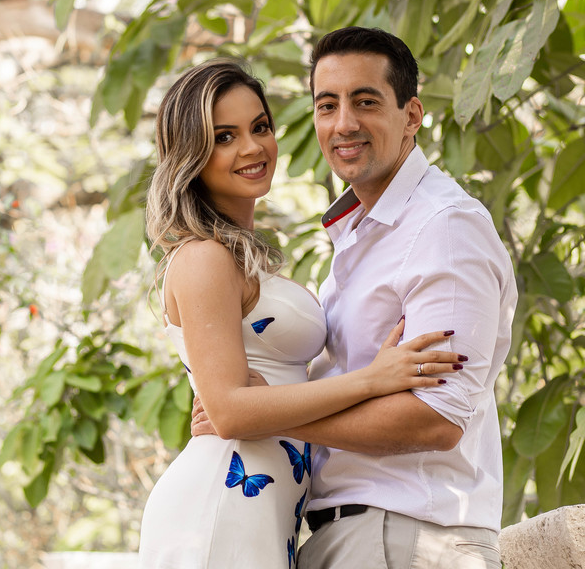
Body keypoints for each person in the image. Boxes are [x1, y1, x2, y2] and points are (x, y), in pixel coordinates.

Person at [193, 27, 518, 568]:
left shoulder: (444, 227)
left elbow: (435, 420)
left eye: (365, 102)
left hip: (407, 535)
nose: (343, 124)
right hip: (350, 537)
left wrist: (261, 414)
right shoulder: (360, 236)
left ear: (411, 115)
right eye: (327, 105)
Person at [137, 58, 464, 569]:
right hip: (225, 500)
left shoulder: (242, 257)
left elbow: (252, 389)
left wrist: (274, 399)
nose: (251, 148)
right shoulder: (204, 256)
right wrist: (371, 381)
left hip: (273, 508)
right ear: (191, 155)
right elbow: (229, 411)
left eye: (259, 127)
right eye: (223, 137)